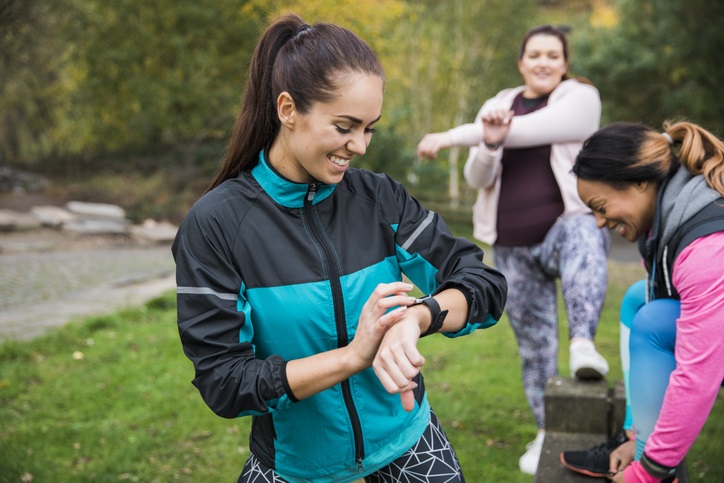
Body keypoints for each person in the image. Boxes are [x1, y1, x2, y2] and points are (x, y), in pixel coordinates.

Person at [171, 13, 507, 483]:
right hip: (294, 468)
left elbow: (482, 284)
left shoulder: (378, 198)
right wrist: (352, 356)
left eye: (369, 128)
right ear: (288, 110)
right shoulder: (215, 225)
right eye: (346, 126)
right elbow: (224, 382)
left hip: (411, 446)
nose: (361, 146)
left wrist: (416, 317)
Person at [417, 24, 610, 475]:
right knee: (534, 346)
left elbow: (530, 132)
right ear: (521, 61)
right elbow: (476, 178)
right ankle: (545, 429)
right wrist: (486, 142)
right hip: (511, 245)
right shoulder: (498, 105)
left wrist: (451, 136)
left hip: (564, 227)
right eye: (535, 54)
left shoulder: (580, 97)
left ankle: (583, 342)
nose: (544, 62)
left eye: (553, 55)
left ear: (565, 63)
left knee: (585, 238)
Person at [569, 121, 724, 482]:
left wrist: (649, 471)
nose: (598, 222)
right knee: (639, 300)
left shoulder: (706, 248)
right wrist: (638, 436)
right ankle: (636, 438)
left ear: (640, 182)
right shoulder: (668, 220)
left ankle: (658, 471)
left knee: (654, 321)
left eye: (601, 205)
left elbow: (697, 376)